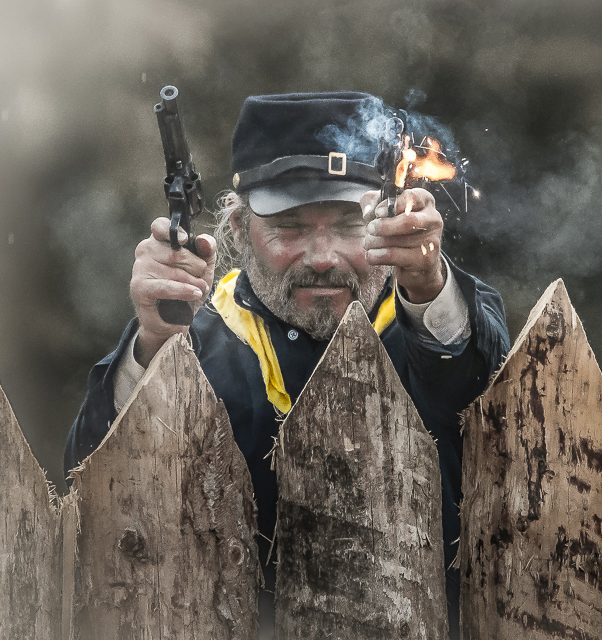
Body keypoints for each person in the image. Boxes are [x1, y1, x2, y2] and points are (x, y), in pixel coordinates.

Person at [63, 91, 510, 636]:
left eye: (348, 224)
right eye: (291, 227)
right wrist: (155, 340)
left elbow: (481, 386)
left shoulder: (433, 310)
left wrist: (429, 282)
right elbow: (91, 486)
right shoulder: (195, 336)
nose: (322, 258)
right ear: (236, 230)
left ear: (388, 219)